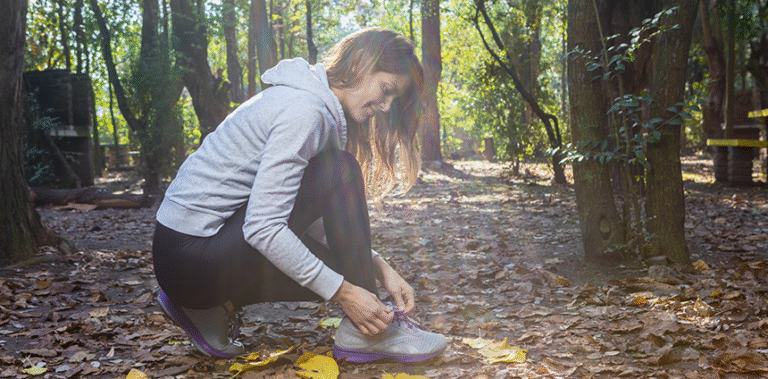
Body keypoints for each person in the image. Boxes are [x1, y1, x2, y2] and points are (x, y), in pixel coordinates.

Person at [152, 27, 448, 363]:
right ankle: (371, 333)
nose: (385, 107)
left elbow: (302, 216)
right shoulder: (304, 112)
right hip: (191, 260)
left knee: (340, 262)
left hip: (186, 259)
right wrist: (347, 294)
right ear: (360, 65)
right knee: (341, 170)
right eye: (386, 90)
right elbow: (264, 228)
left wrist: (379, 267)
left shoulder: (312, 108)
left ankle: (212, 308)